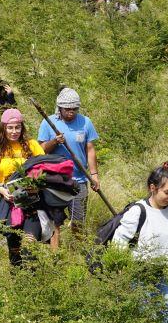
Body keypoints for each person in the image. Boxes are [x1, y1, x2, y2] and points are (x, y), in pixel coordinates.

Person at [112, 161, 168, 323]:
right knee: (149, 317)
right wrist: (120, 272)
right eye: (167, 192)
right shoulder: (137, 211)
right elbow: (119, 241)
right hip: (137, 275)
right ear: (153, 188)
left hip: (158, 274)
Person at [0, 109, 45, 266]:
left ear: (22, 127)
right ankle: (18, 285)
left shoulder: (32, 145)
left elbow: (45, 169)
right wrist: (0, 189)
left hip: (32, 204)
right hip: (9, 204)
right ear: (3, 128)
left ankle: (34, 283)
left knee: (29, 247)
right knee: (14, 251)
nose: (14, 131)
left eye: (17, 127)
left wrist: (35, 184)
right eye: (10, 128)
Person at [38, 87, 100, 234]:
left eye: (74, 109)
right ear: (60, 107)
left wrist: (94, 175)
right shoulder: (48, 123)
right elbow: (40, 150)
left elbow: (90, 149)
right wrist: (54, 142)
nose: (71, 112)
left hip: (79, 180)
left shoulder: (85, 122)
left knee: (78, 221)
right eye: (67, 109)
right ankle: (56, 254)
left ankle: (77, 250)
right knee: (54, 221)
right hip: (55, 180)